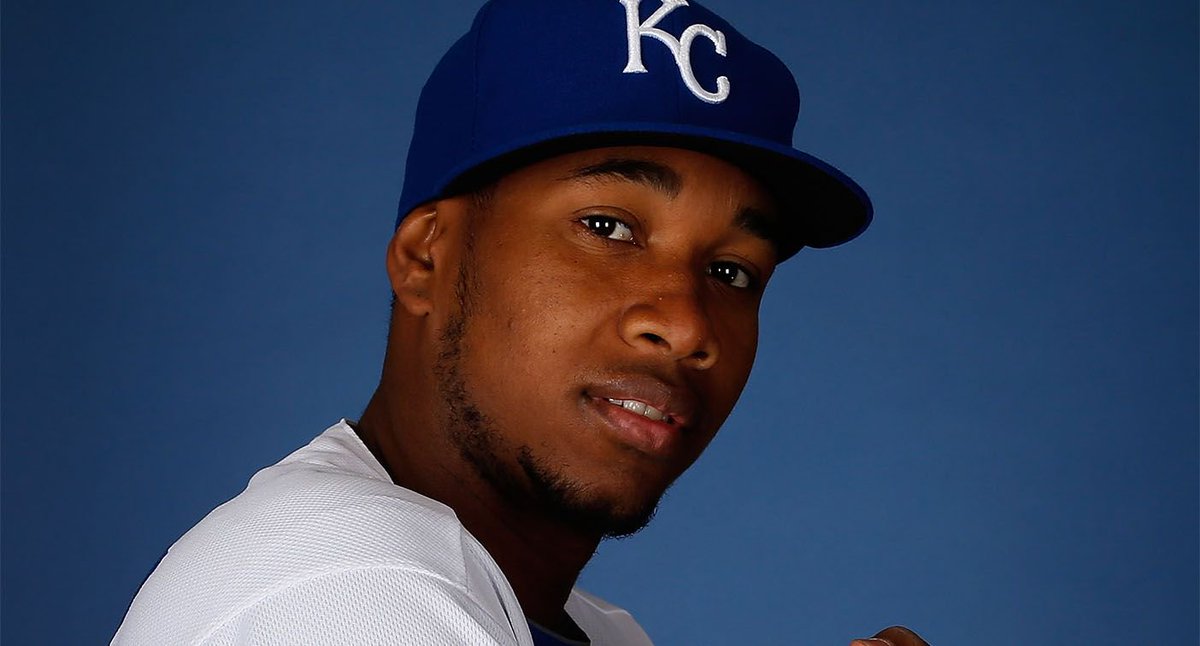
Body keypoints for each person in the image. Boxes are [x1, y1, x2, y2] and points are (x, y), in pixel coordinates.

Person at [113, 1, 928, 644]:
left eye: (732, 272)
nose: (686, 324)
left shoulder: (584, 625)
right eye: (608, 227)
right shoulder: (345, 582)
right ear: (427, 257)